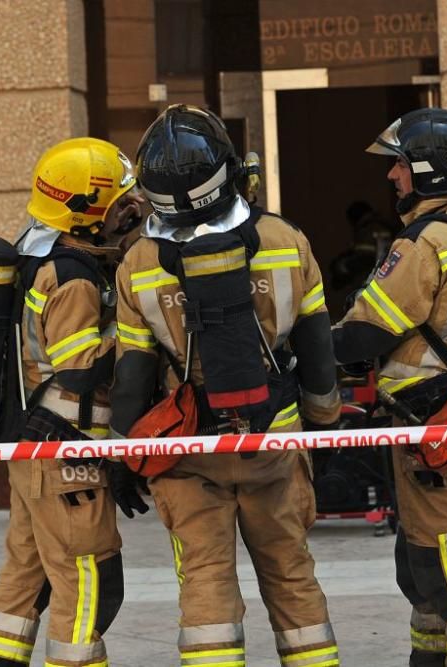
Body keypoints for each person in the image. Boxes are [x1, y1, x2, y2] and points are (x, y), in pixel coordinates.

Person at [109, 104, 342, 667]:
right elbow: (315, 348)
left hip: (188, 449)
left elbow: (134, 374)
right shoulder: (285, 239)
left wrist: (120, 453)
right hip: (275, 438)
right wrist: (325, 429)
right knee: (290, 572)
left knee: (205, 580)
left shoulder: (138, 261)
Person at [332, 108, 447, 667]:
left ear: (430, 171)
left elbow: (369, 327)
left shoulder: (427, 240)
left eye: (400, 165)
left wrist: (310, 352)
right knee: (428, 560)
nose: (392, 176)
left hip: (431, 426)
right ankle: (431, 658)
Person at [0, 138, 146, 667]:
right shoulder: (72, 279)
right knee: (91, 584)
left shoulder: (39, 254)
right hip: (68, 458)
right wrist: (141, 333)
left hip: (36, 455)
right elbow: (80, 367)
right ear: (89, 211)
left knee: (25, 581)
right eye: (122, 200)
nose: (131, 208)